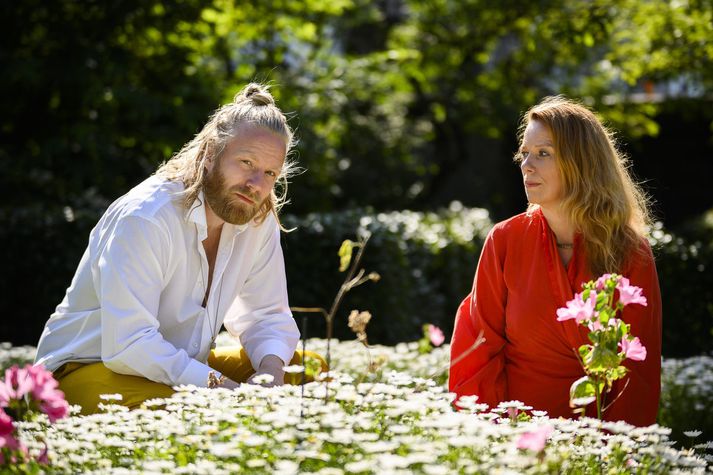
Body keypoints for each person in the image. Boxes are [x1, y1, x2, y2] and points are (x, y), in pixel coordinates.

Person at [35, 83, 325, 414]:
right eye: (246, 162)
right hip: (88, 367)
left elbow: (266, 316)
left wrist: (271, 381)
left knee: (306, 369)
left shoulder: (257, 219)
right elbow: (130, 345)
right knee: (178, 413)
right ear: (208, 154)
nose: (256, 184)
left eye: (269, 173)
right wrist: (226, 390)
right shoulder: (146, 217)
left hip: (178, 368)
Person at [449, 96, 662, 426]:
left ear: (582, 162)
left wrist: (615, 456)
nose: (526, 165)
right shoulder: (504, 240)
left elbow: (637, 373)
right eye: (525, 153)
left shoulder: (629, 251)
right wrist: (488, 441)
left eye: (543, 153)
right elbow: (478, 350)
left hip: (594, 442)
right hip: (516, 438)